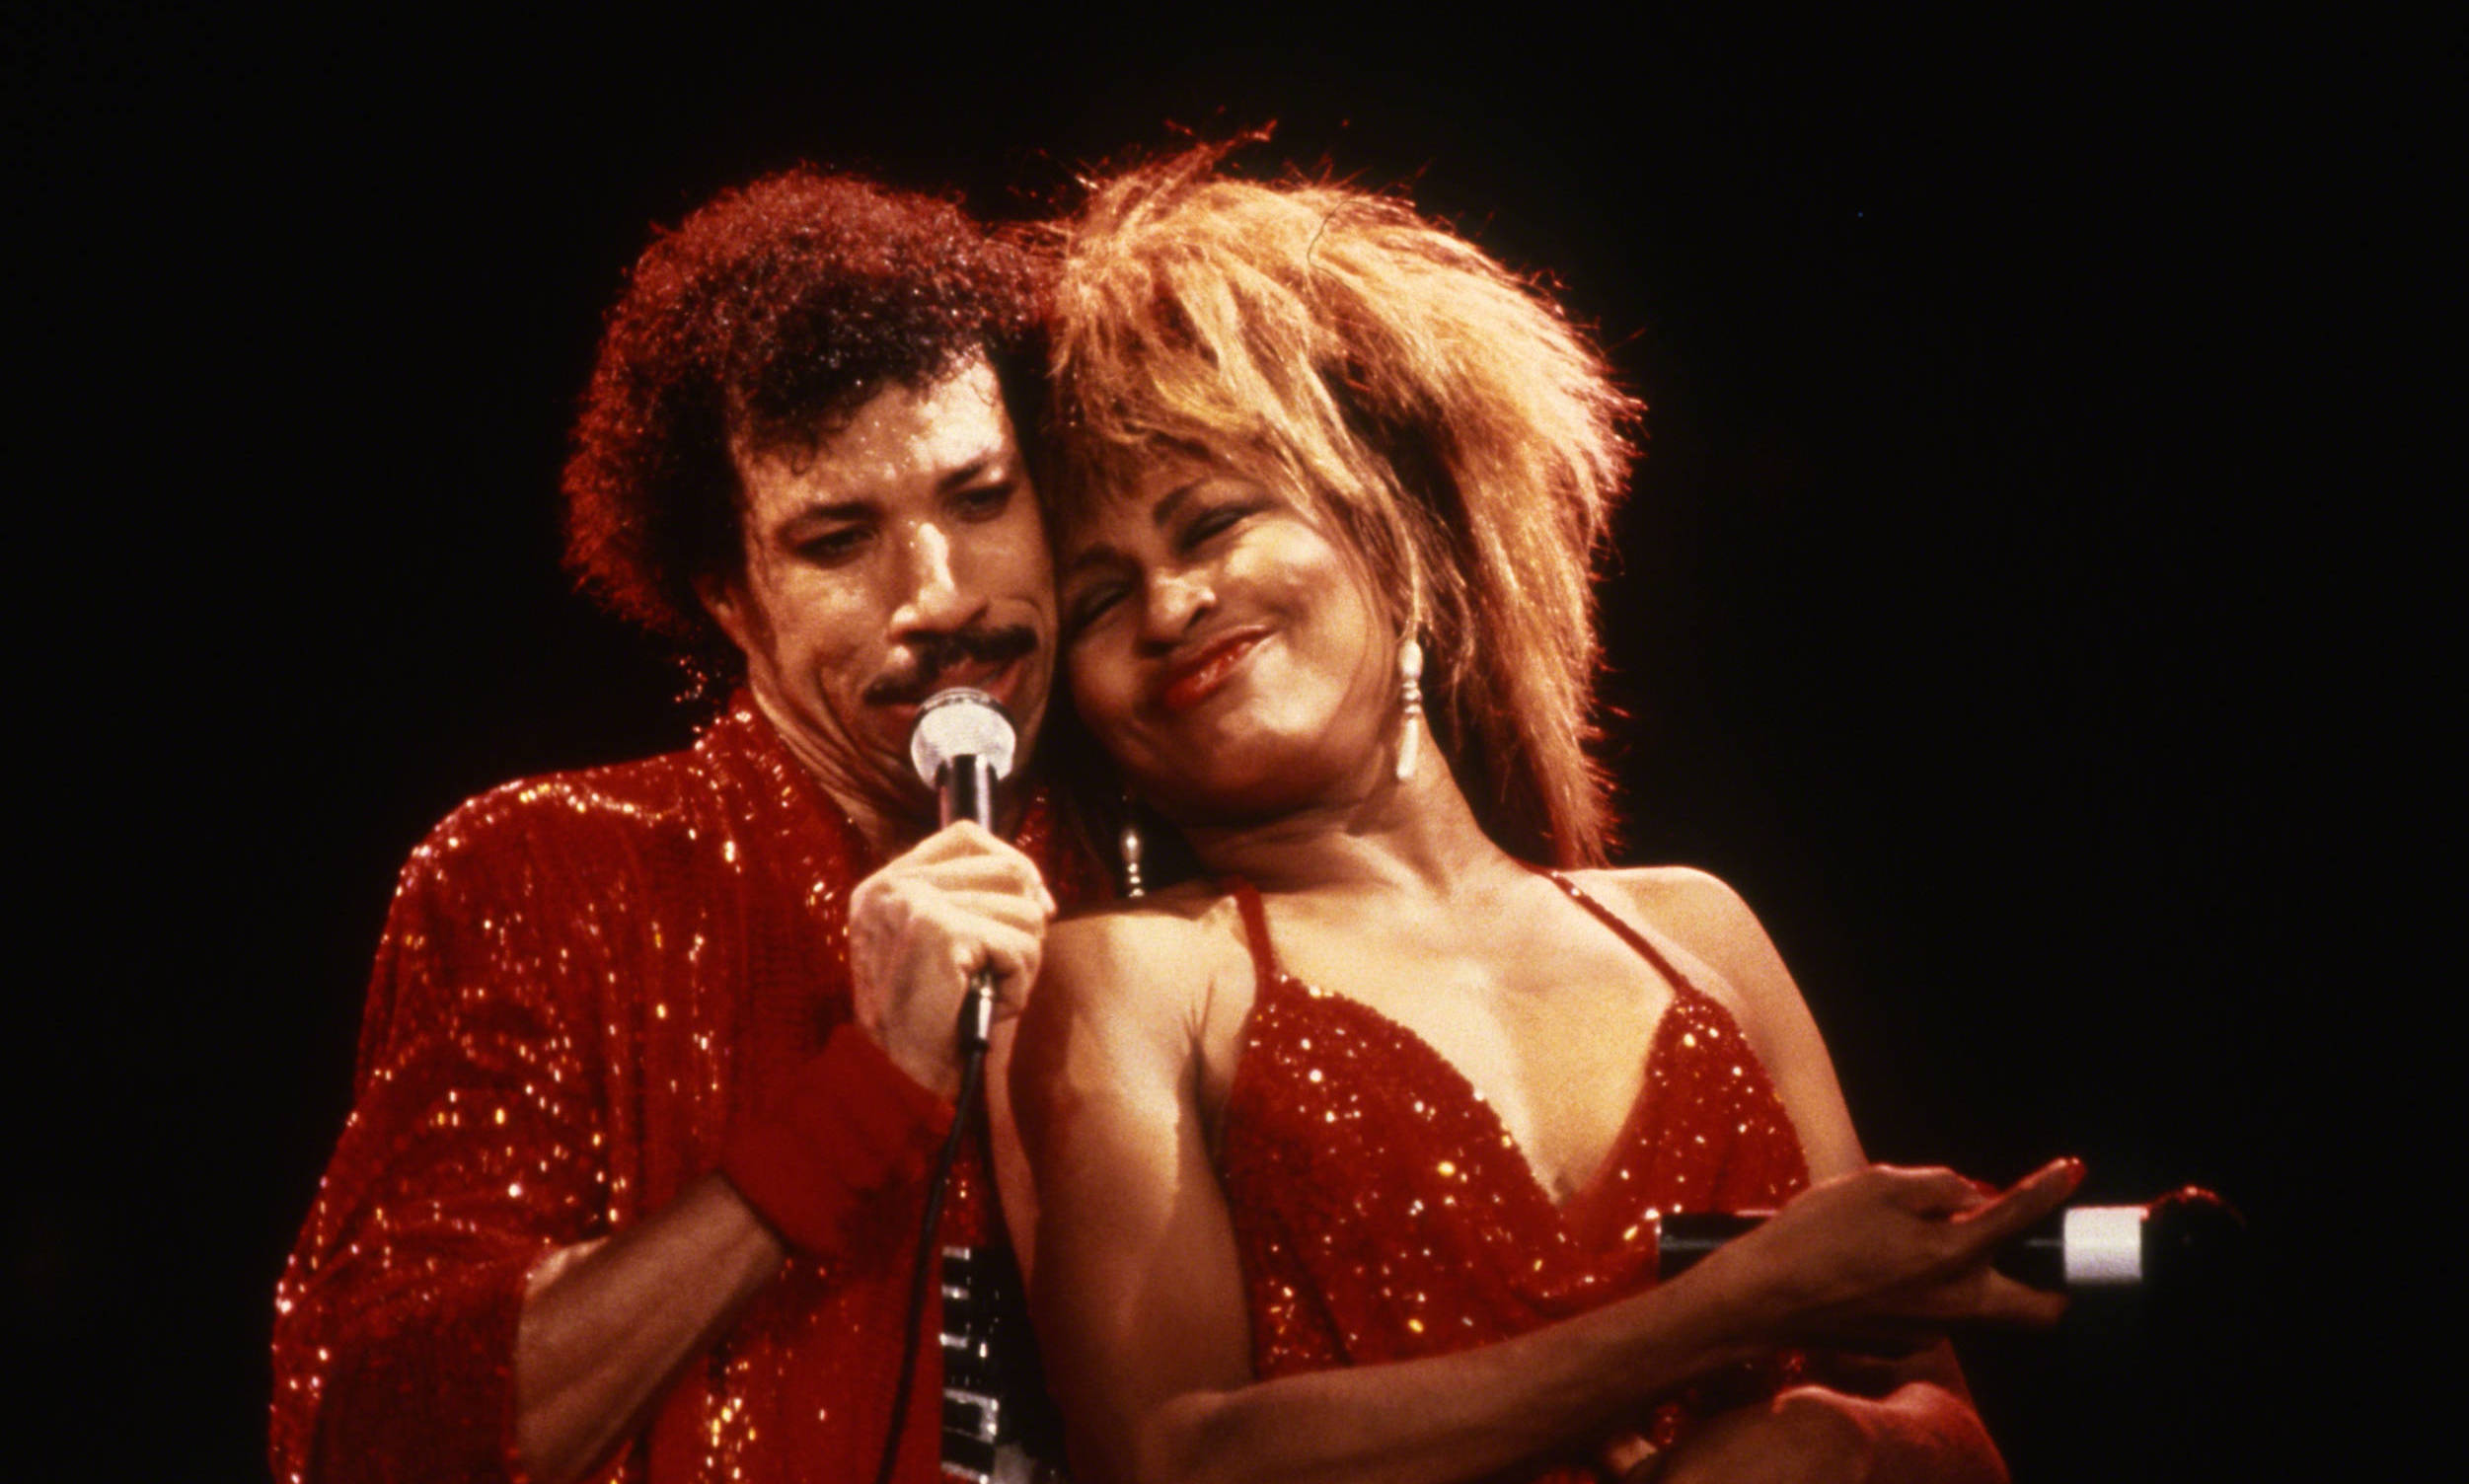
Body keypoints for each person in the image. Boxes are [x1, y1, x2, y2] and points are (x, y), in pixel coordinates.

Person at [1006, 150, 2079, 1484]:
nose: (1167, 606)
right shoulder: (1136, 974)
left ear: (1388, 538)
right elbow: (1175, 1456)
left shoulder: (1696, 934)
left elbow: (1952, 1431)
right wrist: (1729, 1309)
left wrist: (1823, 1443)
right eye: (1101, 597)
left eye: (1211, 524)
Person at [271, 169, 1085, 1484]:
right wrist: (859, 1103)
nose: (937, 594)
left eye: (981, 499)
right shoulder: (541, 869)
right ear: (725, 593)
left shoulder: (1145, 869)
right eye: (837, 539)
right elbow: (375, 1435)